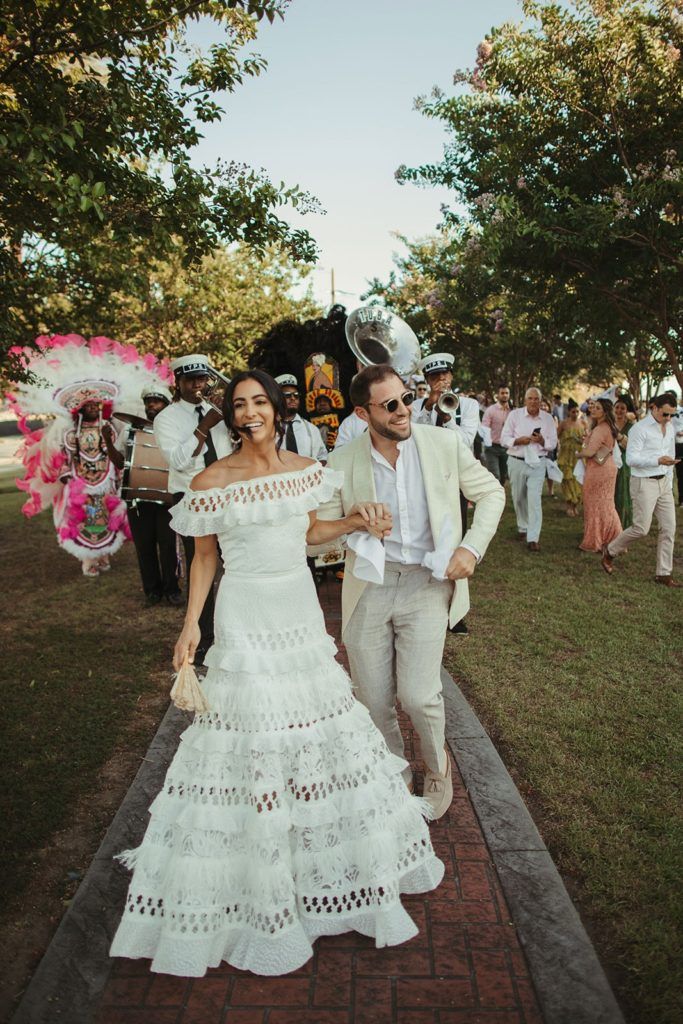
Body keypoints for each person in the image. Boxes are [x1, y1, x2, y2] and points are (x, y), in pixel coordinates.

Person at [110, 369, 445, 977]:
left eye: (259, 400)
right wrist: (191, 626)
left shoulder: (304, 470)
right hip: (243, 613)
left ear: (274, 407)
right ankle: (257, 871)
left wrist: (353, 523)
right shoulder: (211, 480)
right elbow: (205, 557)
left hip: (296, 607)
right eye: (240, 405)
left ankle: (321, 867)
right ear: (232, 415)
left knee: (317, 726)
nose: (250, 411)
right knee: (253, 734)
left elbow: (311, 533)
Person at [320, 364, 505, 818]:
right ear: (363, 414)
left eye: (404, 398)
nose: (404, 410)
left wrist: (471, 548)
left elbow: (493, 494)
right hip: (370, 585)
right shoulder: (342, 461)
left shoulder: (443, 444)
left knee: (419, 695)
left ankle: (437, 767)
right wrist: (354, 522)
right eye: (390, 405)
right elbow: (317, 537)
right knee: (373, 696)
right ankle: (394, 771)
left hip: (428, 582)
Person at [154, 354, 233, 663]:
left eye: (202, 379)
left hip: (226, 494)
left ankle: (230, 631)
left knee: (233, 564)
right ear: (178, 382)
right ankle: (203, 639)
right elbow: (178, 461)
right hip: (192, 498)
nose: (198, 385)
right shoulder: (167, 418)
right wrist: (204, 426)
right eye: (191, 380)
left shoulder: (220, 411)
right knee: (202, 566)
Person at [601, 393, 681, 586]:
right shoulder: (639, 429)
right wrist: (656, 461)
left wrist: (668, 482)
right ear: (654, 408)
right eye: (665, 414)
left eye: (672, 415)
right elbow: (631, 459)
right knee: (641, 528)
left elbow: (669, 454)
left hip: (664, 483)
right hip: (643, 482)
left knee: (669, 528)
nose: (668, 419)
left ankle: (663, 573)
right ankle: (610, 550)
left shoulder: (669, 428)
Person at [115, 386, 183, 606]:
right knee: (144, 547)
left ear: (166, 404)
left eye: (157, 401)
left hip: (167, 498)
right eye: (149, 402)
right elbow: (119, 463)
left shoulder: (175, 431)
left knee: (167, 546)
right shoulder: (130, 431)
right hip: (137, 499)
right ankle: (152, 592)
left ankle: (172, 590)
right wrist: (106, 442)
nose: (152, 406)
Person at [54, 394, 128, 576]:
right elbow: (66, 457)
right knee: (86, 522)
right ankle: (89, 561)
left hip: (106, 481)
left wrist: (119, 477)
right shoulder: (72, 433)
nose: (94, 408)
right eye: (89, 406)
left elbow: (117, 453)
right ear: (80, 409)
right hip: (83, 484)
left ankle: (103, 557)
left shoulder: (107, 428)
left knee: (105, 520)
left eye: (96, 405)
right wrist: (67, 477)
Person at [501, 387, 558, 551]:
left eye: (536, 399)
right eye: (530, 398)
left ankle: (533, 537)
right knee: (518, 497)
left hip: (538, 463)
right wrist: (518, 441)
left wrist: (541, 441)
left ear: (541, 401)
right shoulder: (515, 415)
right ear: (525, 400)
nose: (533, 402)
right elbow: (504, 438)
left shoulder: (547, 419)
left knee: (534, 500)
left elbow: (553, 443)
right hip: (516, 460)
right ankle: (522, 526)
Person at [578, 398, 622, 553]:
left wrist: (578, 454)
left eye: (597, 408)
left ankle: (595, 541)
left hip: (598, 470)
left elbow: (589, 452)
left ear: (605, 411)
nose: (593, 409)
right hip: (608, 466)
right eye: (593, 407)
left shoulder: (599, 429)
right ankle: (614, 539)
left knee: (594, 504)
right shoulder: (610, 427)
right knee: (607, 504)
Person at [275, 373, 328, 461]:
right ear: (276, 398)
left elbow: (322, 457)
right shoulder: (269, 429)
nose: (293, 398)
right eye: (287, 395)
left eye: (296, 395)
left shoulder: (311, 429)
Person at [557, 402, 585, 516]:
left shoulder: (583, 423)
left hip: (578, 457)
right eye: (573, 411)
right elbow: (557, 436)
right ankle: (569, 505)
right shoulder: (563, 423)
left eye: (577, 411)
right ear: (569, 412)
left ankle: (575, 504)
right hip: (566, 456)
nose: (575, 414)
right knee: (567, 480)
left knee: (577, 481)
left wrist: (581, 440)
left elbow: (586, 439)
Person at [613, 394, 637, 528]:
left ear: (627, 410)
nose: (619, 411)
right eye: (617, 407)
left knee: (623, 493)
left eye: (622, 408)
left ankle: (623, 525)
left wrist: (620, 438)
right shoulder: (609, 424)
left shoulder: (632, 426)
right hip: (609, 462)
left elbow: (632, 447)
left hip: (625, 463)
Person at [481, 385, 512, 483]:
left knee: (503, 476)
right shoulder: (491, 410)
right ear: (498, 395)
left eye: (506, 393)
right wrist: (487, 443)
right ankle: (494, 496)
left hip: (506, 448)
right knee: (495, 475)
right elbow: (484, 428)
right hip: (492, 448)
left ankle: (499, 495)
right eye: (502, 393)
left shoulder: (512, 411)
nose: (505, 395)